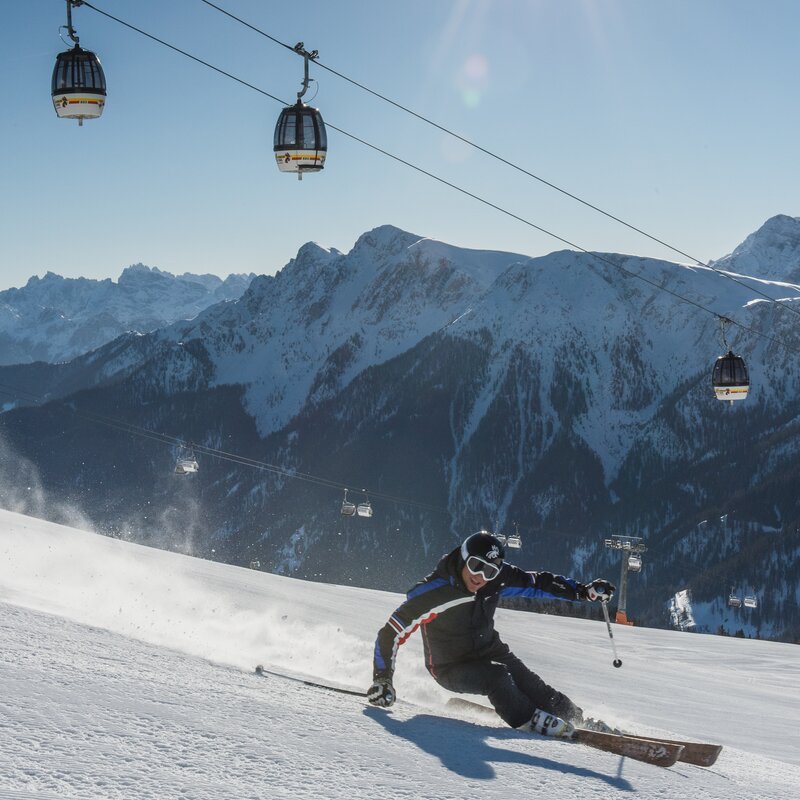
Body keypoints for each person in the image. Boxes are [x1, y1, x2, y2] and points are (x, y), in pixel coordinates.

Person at [367, 530, 615, 736]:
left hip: (489, 648)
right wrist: (383, 678)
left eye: (490, 572)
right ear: (463, 559)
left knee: (532, 684)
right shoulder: (435, 592)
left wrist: (583, 591)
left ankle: (579, 720)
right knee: (497, 678)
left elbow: (537, 583)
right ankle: (530, 720)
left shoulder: (495, 580)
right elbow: (391, 633)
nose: (480, 577)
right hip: (449, 666)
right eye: (476, 566)